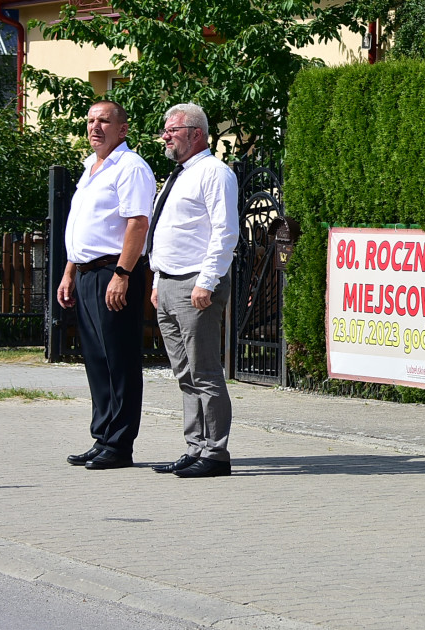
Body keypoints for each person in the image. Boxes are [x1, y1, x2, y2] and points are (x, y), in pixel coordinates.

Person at [59, 101, 154, 471]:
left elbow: (137, 224)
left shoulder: (130, 168)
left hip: (113, 274)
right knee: (97, 360)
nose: (95, 127)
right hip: (85, 272)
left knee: (120, 359)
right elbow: (83, 227)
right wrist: (69, 271)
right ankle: (102, 437)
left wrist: (122, 274)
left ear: (122, 129)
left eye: (104, 121)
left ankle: (119, 444)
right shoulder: (90, 168)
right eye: (91, 121)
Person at [147, 103, 239, 478]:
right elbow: (167, 233)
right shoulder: (180, 175)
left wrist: (207, 281)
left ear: (196, 133)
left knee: (204, 372)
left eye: (173, 129)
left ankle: (216, 452)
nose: (165, 136)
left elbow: (224, 231)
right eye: (165, 130)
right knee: (183, 373)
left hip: (195, 283)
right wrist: (157, 281)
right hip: (169, 282)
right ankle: (195, 445)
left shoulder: (214, 173)